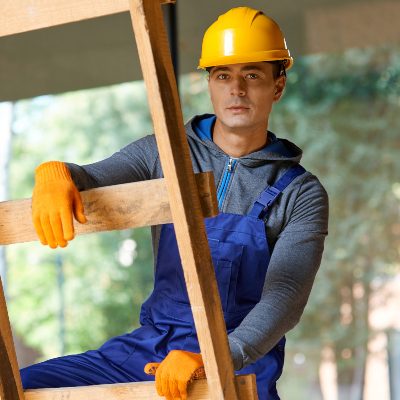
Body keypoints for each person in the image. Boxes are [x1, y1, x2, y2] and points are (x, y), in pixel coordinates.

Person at [21, 6, 328, 400]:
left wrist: (214, 357)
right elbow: (94, 175)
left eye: (252, 75)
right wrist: (54, 173)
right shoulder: (166, 154)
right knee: (21, 385)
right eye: (223, 75)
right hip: (151, 346)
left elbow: (284, 296)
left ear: (278, 86)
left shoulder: (299, 193)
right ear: (210, 84)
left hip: (240, 355)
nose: (236, 89)